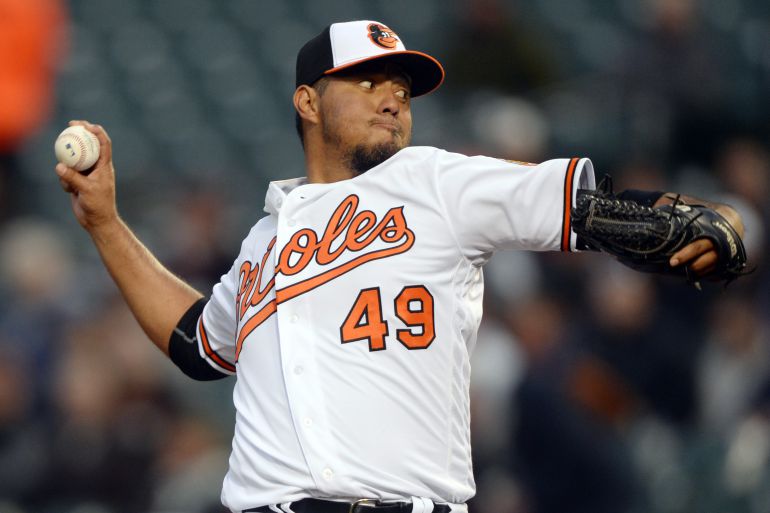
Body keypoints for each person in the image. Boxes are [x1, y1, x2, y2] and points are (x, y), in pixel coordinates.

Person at [54, 20, 745, 513]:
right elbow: (197, 341)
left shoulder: (433, 181)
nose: (393, 95)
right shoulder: (264, 239)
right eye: (366, 79)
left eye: (402, 87)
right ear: (307, 100)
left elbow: (589, 212)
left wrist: (682, 220)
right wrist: (107, 225)